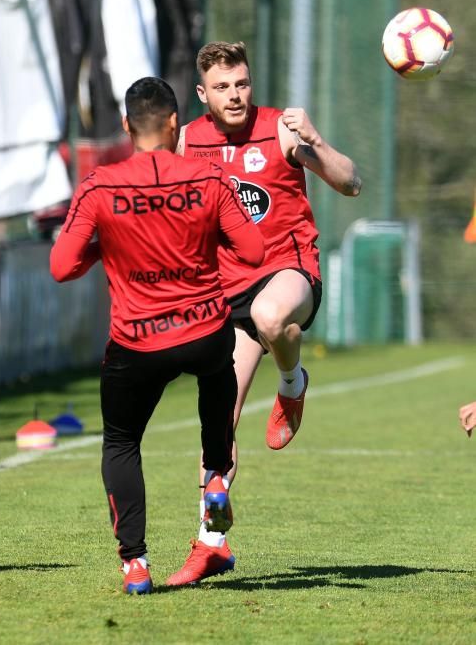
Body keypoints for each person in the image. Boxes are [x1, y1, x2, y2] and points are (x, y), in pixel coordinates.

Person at [50, 77, 264, 594]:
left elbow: (61, 266)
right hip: (205, 328)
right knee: (218, 383)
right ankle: (215, 478)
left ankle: (136, 564)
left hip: (137, 340)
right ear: (175, 123)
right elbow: (254, 252)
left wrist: (108, 245)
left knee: (122, 442)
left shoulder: (100, 186)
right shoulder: (208, 178)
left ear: (126, 126)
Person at [166, 41, 361, 586]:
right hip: (226, 295)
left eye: (243, 84)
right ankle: (211, 544)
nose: (235, 95)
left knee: (276, 316)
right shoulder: (188, 141)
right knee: (216, 424)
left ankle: (292, 383)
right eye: (223, 87)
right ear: (203, 94)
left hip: (289, 271)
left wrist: (316, 141)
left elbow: (351, 183)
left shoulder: (282, 129)